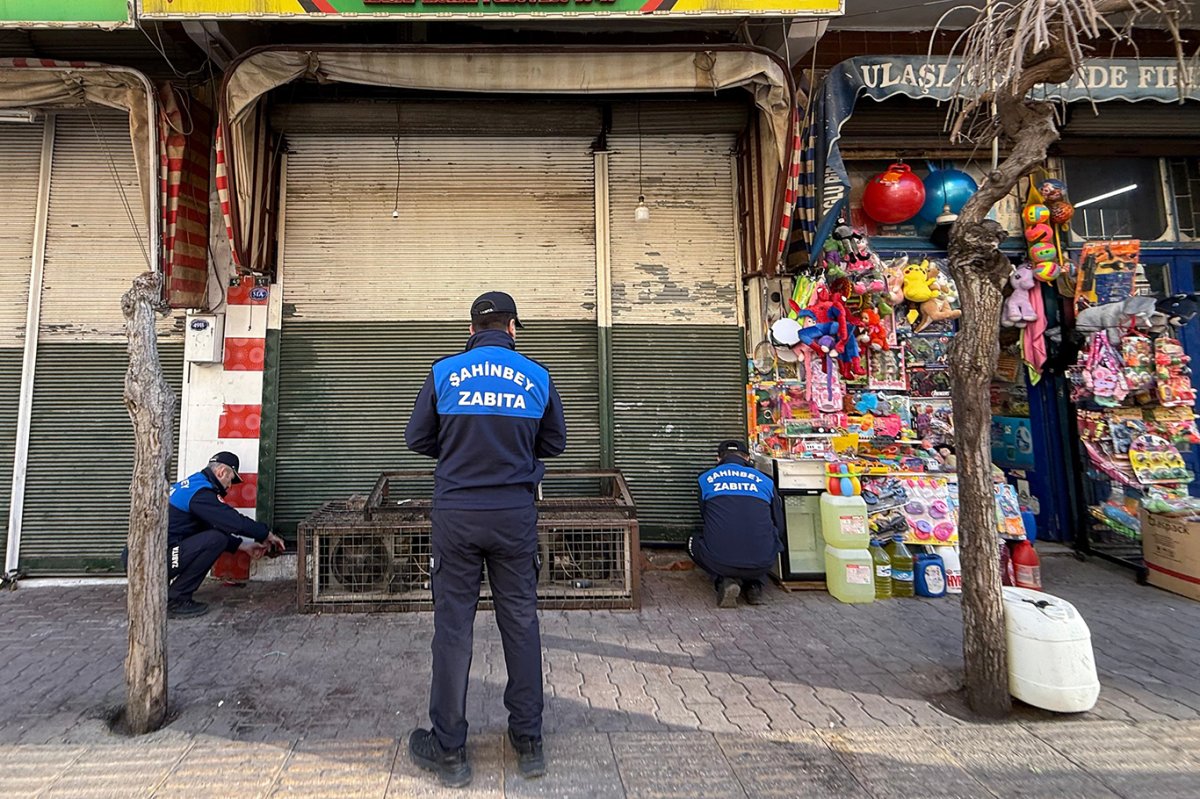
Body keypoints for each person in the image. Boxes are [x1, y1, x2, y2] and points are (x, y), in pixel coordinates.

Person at [404, 290, 566, 788]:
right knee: (520, 622)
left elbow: (417, 439)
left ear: (472, 328)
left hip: (456, 514)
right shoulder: (537, 376)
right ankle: (529, 740)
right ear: (512, 327)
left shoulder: (444, 372)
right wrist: (520, 460)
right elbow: (555, 443)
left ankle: (449, 750)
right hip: (514, 514)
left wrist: (458, 454)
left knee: (453, 628)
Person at [164, 451, 284, 619]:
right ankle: (176, 600)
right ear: (222, 472)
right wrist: (266, 534)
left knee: (215, 537)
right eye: (231, 479)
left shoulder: (193, 485)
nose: (229, 486)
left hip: (151, 558)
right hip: (154, 562)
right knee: (216, 539)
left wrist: (244, 546)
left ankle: (173, 594)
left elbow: (208, 530)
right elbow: (233, 521)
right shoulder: (201, 493)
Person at [688, 440, 784, 608]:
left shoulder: (705, 479)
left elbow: (706, 516)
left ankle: (724, 581)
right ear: (747, 458)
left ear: (718, 459)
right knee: (768, 537)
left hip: (720, 560)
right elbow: (778, 522)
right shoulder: (765, 481)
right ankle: (754, 585)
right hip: (763, 562)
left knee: (692, 541)